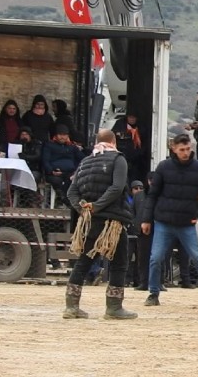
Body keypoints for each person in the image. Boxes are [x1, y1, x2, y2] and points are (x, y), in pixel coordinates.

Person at [62, 129, 137, 320]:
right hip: (112, 221)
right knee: (119, 262)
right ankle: (114, 307)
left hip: (90, 221)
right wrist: (96, 206)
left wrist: (84, 208)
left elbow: (72, 192)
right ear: (114, 141)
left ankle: (71, 307)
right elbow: (117, 187)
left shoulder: (85, 162)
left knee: (84, 261)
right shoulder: (118, 159)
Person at [141, 133, 198, 307]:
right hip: (164, 221)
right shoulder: (163, 167)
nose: (185, 152)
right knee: (156, 258)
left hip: (186, 223)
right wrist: (146, 219)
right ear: (174, 149)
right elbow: (152, 195)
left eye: (188, 149)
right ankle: (153, 293)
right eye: (182, 149)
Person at [42, 124, 86, 207]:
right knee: (57, 181)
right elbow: (45, 161)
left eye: (65, 135)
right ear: (56, 135)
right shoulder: (49, 145)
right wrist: (51, 171)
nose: (62, 137)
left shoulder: (72, 147)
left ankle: (70, 201)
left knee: (75, 181)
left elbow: (83, 158)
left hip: (70, 173)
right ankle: (63, 199)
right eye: (60, 135)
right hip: (54, 173)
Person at [111, 109, 147, 183]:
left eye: (134, 117)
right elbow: (112, 137)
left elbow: (144, 141)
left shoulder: (141, 127)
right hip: (121, 155)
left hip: (136, 158)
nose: (132, 119)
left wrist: (139, 153)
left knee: (134, 177)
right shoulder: (120, 124)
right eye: (130, 117)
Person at [14, 127, 43, 207]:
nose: (24, 136)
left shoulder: (37, 144)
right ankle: (34, 199)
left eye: (26, 134)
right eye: (22, 134)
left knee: (30, 177)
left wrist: (25, 157)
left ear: (30, 135)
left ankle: (32, 202)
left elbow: (37, 156)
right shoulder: (17, 144)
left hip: (33, 169)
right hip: (20, 170)